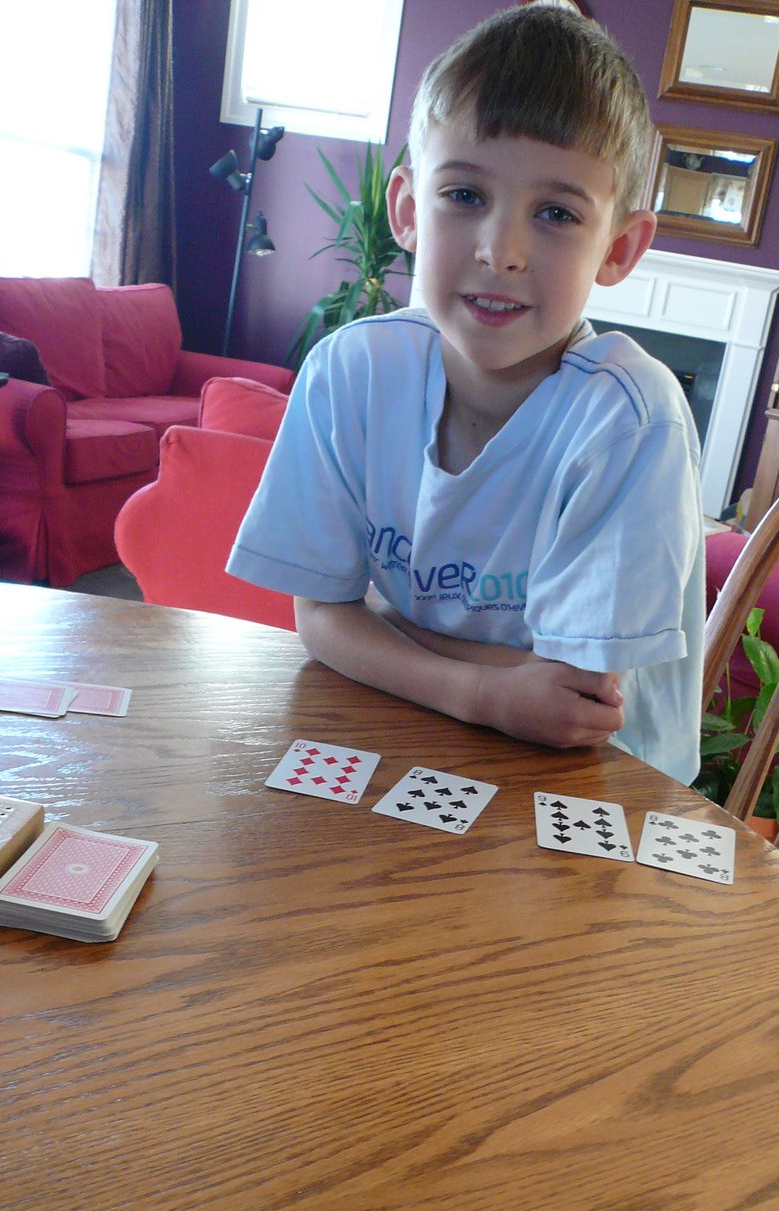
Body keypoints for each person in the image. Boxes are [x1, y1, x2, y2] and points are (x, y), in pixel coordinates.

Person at [226, 3, 705, 783]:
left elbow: (572, 700)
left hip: (601, 790)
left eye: (556, 213)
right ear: (408, 210)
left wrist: (380, 626)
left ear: (618, 249)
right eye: (465, 196)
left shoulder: (631, 419)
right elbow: (318, 619)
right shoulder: (350, 372)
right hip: (422, 736)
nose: (501, 251)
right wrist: (484, 689)